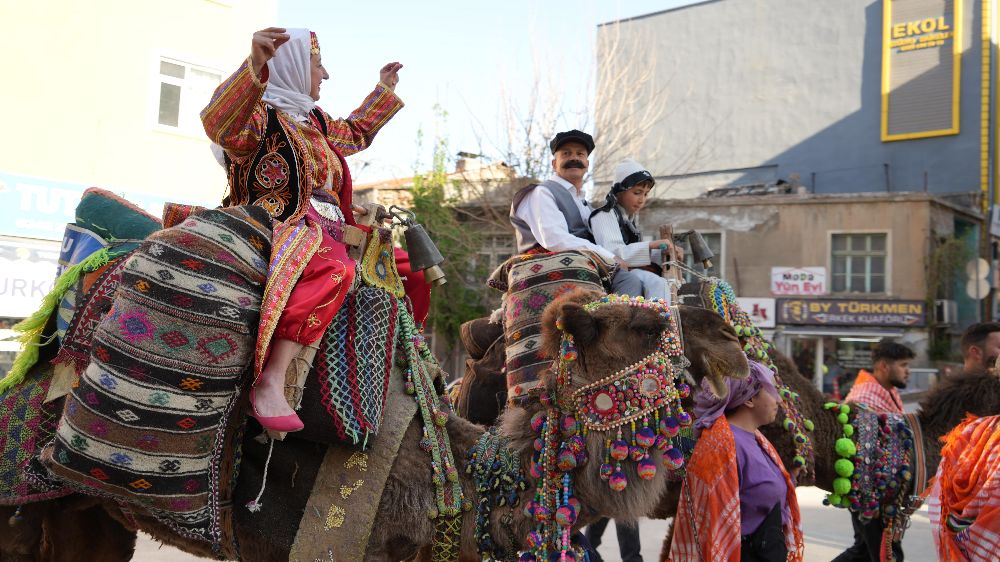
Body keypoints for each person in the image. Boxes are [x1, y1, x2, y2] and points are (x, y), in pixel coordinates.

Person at [201, 27, 404, 432]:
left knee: (405, 272)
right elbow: (218, 123)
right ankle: (272, 379)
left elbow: (357, 132)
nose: (325, 74)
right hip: (279, 223)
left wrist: (383, 90)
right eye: (317, 64)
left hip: (330, 229)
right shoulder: (257, 119)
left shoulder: (314, 120)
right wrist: (256, 64)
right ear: (290, 67)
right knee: (335, 268)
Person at [669, 360, 804, 561]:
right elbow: (715, 520)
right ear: (749, 399)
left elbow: (757, 492)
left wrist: (788, 481)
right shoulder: (722, 445)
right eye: (771, 392)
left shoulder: (756, 438)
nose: (778, 400)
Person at [509, 130, 644, 296]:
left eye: (580, 154)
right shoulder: (542, 192)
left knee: (641, 277)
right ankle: (620, 320)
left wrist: (654, 252)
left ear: (587, 163)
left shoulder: (586, 205)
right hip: (552, 265)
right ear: (553, 163)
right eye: (566, 154)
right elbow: (555, 238)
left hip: (582, 263)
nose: (574, 158)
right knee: (628, 281)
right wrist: (609, 258)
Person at [833, 340, 915, 562]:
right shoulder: (864, 398)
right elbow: (863, 454)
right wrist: (870, 498)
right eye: (904, 365)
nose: (908, 371)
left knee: (863, 551)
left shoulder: (887, 392)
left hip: (880, 489)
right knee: (886, 553)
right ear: (883, 366)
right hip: (871, 490)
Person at [589, 159, 682, 302]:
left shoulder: (629, 220)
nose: (641, 200)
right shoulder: (603, 215)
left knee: (666, 283)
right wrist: (651, 245)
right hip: (611, 273)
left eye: (645, 194)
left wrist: (666, 252)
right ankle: (661, 321)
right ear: (619, 192)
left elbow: (636, 253)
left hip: (629, 270)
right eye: (637, 192)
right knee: (658, 283)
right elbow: (612, 253)